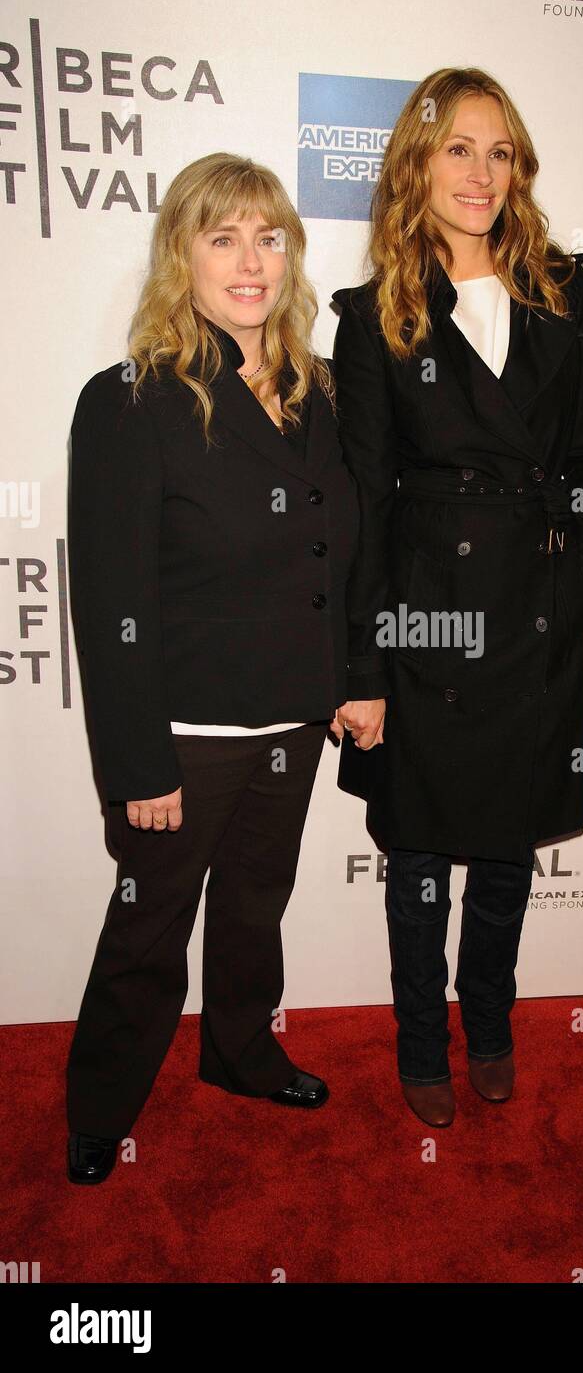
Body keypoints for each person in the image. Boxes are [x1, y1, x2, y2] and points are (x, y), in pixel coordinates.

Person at [329, 68, 583, 1127]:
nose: (480, 172)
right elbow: (360, 497)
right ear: (418, 162)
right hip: (424, 615)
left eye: (499, 151)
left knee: (506, 849)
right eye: (458, 147)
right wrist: (360, 669)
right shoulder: (373, 316)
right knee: (418, 853)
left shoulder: (560, 287)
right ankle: (421, 1041)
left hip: (532, 606)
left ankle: (488, 1022)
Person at [66, 152, 359, 1183]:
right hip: (183, 737)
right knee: (148, 931)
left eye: (268, 236)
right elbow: (110, 604)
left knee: (253, 909)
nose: (250, 260)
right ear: (180, 255)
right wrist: (138, 763)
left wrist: (351, 677)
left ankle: (240, 1051)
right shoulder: (131, 400)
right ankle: (101, 1102)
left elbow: (340, 551)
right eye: (222, 236)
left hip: (289, 722)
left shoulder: (318, 389)